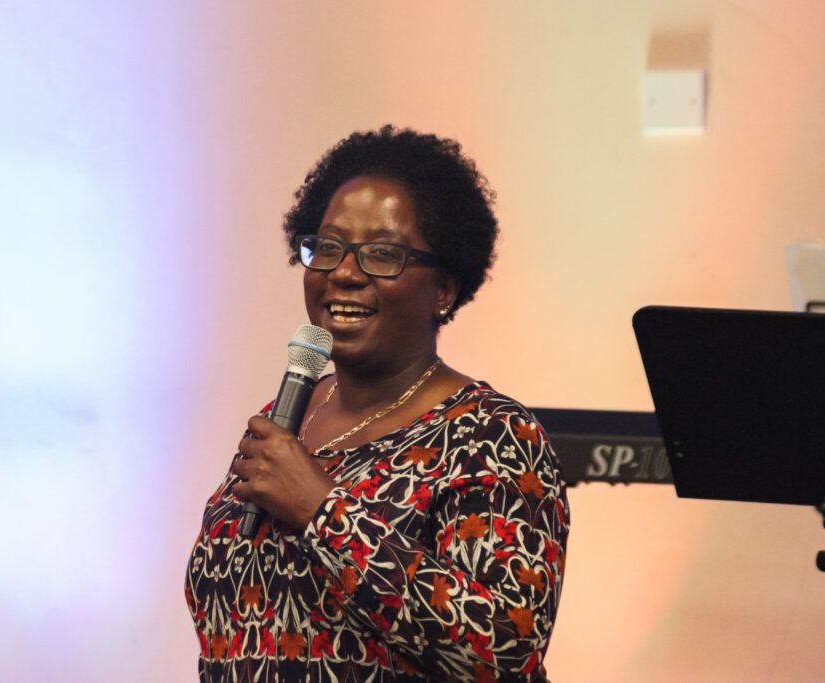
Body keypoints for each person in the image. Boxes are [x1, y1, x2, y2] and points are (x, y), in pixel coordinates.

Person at [186, 126, 569, 682]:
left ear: (443, 288)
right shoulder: (287, 417)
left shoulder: (494, 436)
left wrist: (324, 512)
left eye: (382, 254)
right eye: (330, 248)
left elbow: (503, 651)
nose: (343, 272)